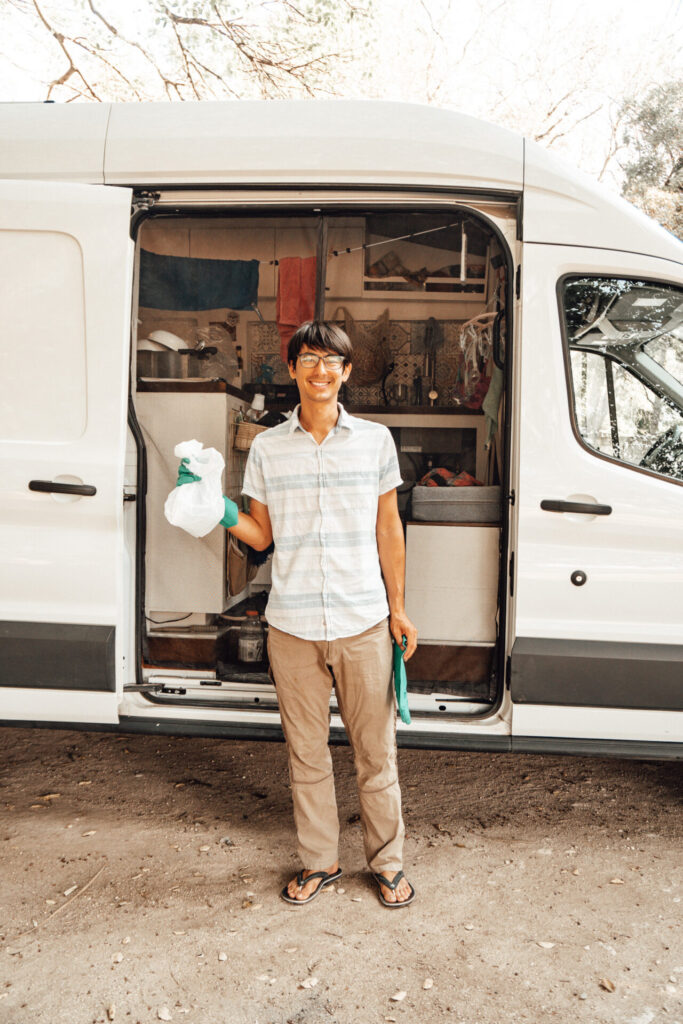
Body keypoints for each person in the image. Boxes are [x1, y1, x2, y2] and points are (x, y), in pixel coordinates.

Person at [178, 321, 418, 907]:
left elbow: (389, 529)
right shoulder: (266, 448)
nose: (320, 371)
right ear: (292, 371)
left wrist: (399, 609)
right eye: (308, 360)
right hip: (292, 627)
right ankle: (320, 862)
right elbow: (261, 536)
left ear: (347, 372)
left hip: (364, 621)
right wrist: (220, 509)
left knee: (376, 753)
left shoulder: (375, 442)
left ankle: (387, 864)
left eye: (331, 361)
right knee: (306, 755)